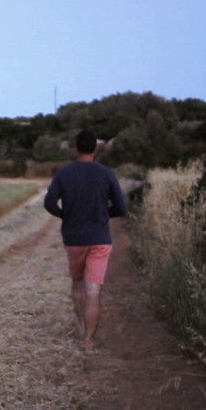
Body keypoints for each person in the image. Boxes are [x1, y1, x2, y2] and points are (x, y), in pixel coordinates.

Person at [44, 130, 128, 349]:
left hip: (74, 238)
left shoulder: (64, 173)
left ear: (76, 148)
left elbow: (49, 203)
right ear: (95, 149)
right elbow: (121, 207)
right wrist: (101, 215)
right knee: (94, 291)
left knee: (78, 285)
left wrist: (66, 215)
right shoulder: (106, 173)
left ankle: (81, 327)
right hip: (100, 239)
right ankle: (89, 340)